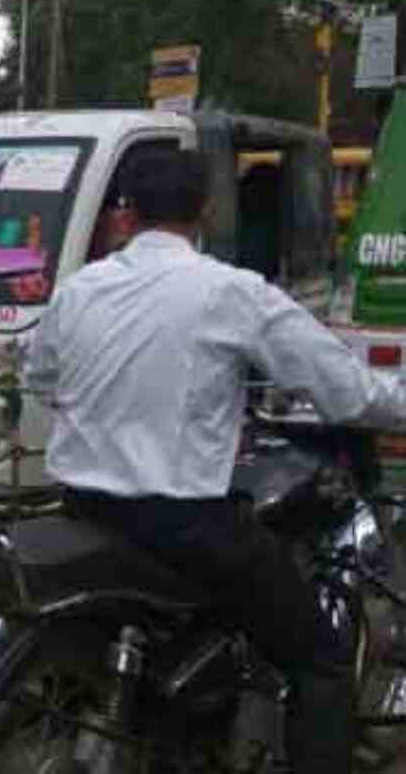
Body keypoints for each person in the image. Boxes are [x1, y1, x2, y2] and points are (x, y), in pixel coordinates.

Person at [24, 147, 406, 773]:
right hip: (181, 527)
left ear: (126, 215)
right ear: (203, 210)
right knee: (321, 659)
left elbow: (44, 380)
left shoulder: (81, 288)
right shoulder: (229, 291)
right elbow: (343, 389)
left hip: (82, 510)